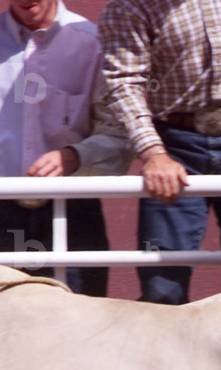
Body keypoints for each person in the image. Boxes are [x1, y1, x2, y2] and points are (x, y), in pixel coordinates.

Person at [99, 0, 221, 305]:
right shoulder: (129, 7)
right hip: (175, 146)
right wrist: (153, 153)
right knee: (162, 287)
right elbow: (123, 83)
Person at [0, 0, 130, 297]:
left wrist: (74, 156)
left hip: (72, 208)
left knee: (81, 321)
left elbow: (121, 135)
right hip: (1, 205)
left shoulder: (93, 42)